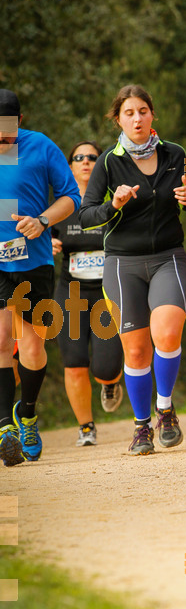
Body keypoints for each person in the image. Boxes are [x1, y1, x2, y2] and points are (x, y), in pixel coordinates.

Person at [79, 85, 186, 456]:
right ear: (118, 118)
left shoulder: (175, 154)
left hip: (168, 257)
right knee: (134, 352)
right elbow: (85, 216)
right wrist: (112, 205)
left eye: (143, 111)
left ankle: (164, 410)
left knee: (166, 333)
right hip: (122, 264)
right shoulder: (107, 163)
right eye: (129, 112)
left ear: (153, 116)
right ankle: (141, 427)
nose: (137, 118)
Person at [0, 89, 81, 466]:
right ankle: (4, 428)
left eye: (6, 136)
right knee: (1, 341)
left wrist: (43, 220)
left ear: (19, 122)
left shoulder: (40, 146)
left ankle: (27, 414)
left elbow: (70, 197)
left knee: (33, 347)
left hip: (33, 262)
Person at [52, 141, 124, 447]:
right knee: (75, 361)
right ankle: (85, 427)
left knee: (106, 368)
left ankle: (110, 385)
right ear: (70, 166)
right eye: (78, 158)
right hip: (71, 292)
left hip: (107, 293)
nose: (85, 162)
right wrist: (48, 245)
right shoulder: (59, 206)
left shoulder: (114, 202)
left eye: (93, 157)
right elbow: (38, 234)